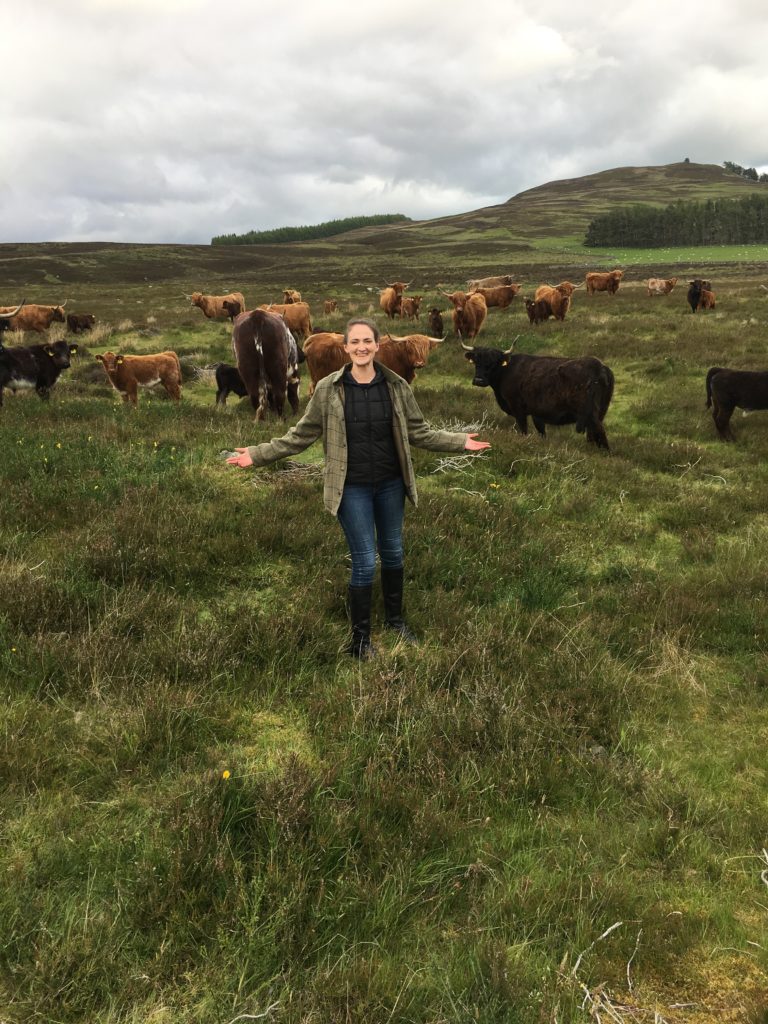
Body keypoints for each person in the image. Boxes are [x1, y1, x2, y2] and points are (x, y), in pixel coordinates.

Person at [227, 316, 490, 659]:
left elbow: (420, 431)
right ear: (346, 347)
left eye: (368, 341)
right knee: (365, 562)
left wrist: (459, 442)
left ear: (377, 346)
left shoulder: (397, 387)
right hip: (351, 488)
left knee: (394, 552)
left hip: (390, 485)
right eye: (356, 342)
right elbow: (301, 435)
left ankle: (396, 621)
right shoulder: (328, 390)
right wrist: (259, 454)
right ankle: (360, 640)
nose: (362, 347)